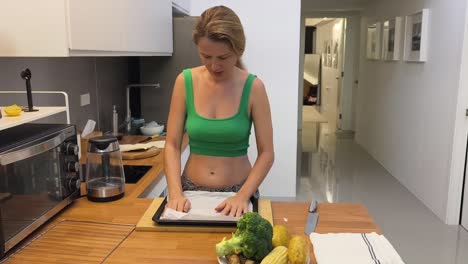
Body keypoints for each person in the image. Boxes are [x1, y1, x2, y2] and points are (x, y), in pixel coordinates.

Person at [164, 5, 274, 218]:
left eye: (223, 58)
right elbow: (172, 144)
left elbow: (267, 153)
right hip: (189, 192)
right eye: (206, 56)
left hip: (239, 192)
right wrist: (175, 192)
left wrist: (242, 196)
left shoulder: (254, 88)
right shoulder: (184, 81)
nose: (214, 66)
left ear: (239, 50)